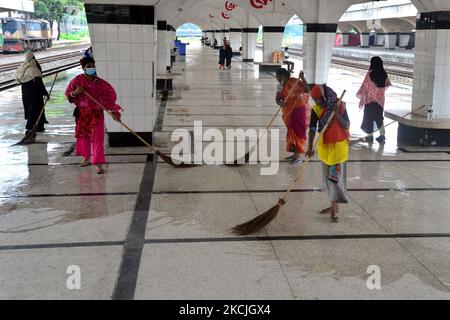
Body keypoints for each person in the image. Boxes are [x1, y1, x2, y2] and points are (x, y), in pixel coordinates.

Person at [65, 57, 122, 174]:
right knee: (84, 136)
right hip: (83, 113)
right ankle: (86, 158)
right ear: (83, 68)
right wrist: (76, 92)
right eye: (88, 66)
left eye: (92, 66)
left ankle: (98, 162)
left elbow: (110, 97)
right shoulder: (77, 81)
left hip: (96, 114)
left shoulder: (101, 83)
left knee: (98, 137)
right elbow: (68, 95)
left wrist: (114, 111)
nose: (91, 68)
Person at [307, 84, 350, 222]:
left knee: (334, 179)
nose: (316, 102)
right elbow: (312, 129)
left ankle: (333, 209)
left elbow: (346, 125)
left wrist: (336, 113)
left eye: (318, 99)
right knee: (328, 180)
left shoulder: (340, 105)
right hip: (325, 149)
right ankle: (334, 205)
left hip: (338, 149)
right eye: (314, 99)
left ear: (325, 97)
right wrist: (309, 147)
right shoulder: (316, 109)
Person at [276, 68, 310, 164]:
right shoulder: (280, 86)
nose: (277, 79)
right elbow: (277, 98)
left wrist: (302, 79)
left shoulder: (296, 81)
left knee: (298, 132)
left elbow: (307, 89)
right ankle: (294, 154)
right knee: (291, 132)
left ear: (283, 76)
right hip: (289, 111)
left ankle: (298, 156)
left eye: (278, 77)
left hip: (299, 110)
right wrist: (280, 103)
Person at [15, 52, 50, 139]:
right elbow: (39, 83)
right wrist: (45, 93)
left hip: (26, 94)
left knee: (32, 110)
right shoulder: (33, 69)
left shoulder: (22, 67)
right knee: (35, 110)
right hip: (35, 94)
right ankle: (29, 128)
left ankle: (40, 127)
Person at [357, 56, 391, 143]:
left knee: (369, 118)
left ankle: (370, 136)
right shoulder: (384, 73)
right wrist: (379, 92)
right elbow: (387, 85)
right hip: (380, 101)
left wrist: (366, 94)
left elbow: (365, 86)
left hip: (370, 100)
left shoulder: (370, 74)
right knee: (379, 117)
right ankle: (382, 135)